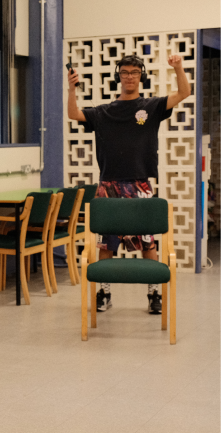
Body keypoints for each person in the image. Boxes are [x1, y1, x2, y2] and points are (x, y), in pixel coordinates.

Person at [67, 54, 191, 314]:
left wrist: (178, 67)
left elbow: (183, 92)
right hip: (108, 184)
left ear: (141, 76)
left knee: (148, 242)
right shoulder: (104, 112)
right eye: (125, 72)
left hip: (139, 183)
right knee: (106, 243)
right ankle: (104, 292)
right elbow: (74, 113)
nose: (130, 76)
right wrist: (71, 88)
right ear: (118, 76)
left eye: (135, 72)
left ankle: (153, 294)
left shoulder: (152, 106)